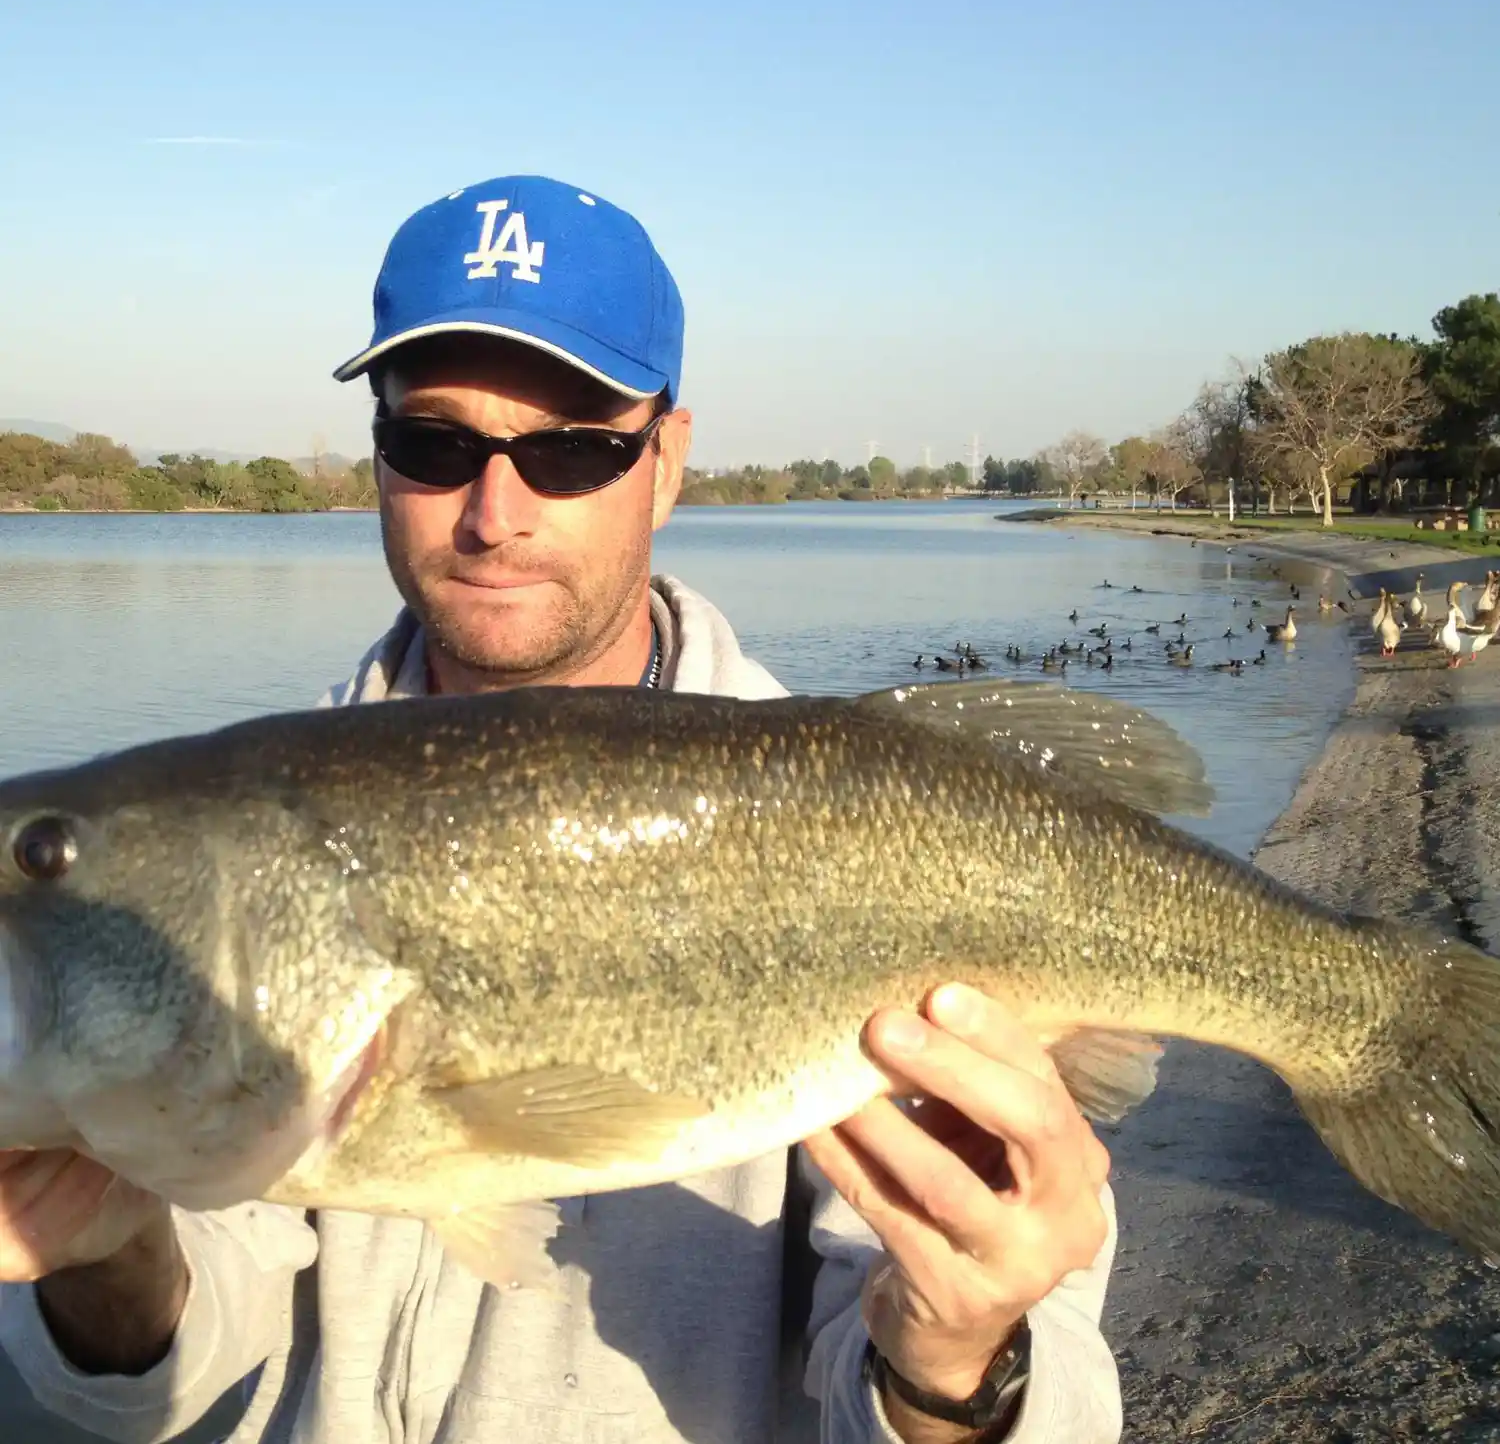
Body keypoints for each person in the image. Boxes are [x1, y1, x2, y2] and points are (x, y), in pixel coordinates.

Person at [0, 175, 1122, 1443]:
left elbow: (1053, 1394)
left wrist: (960, 1361)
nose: (494, 512)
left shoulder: (887, 831)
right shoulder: (255, 846)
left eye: (572, 448)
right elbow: (178, 1367)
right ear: (378, 454)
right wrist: (105, 1254)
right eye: (433, 444)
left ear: (668, 461)